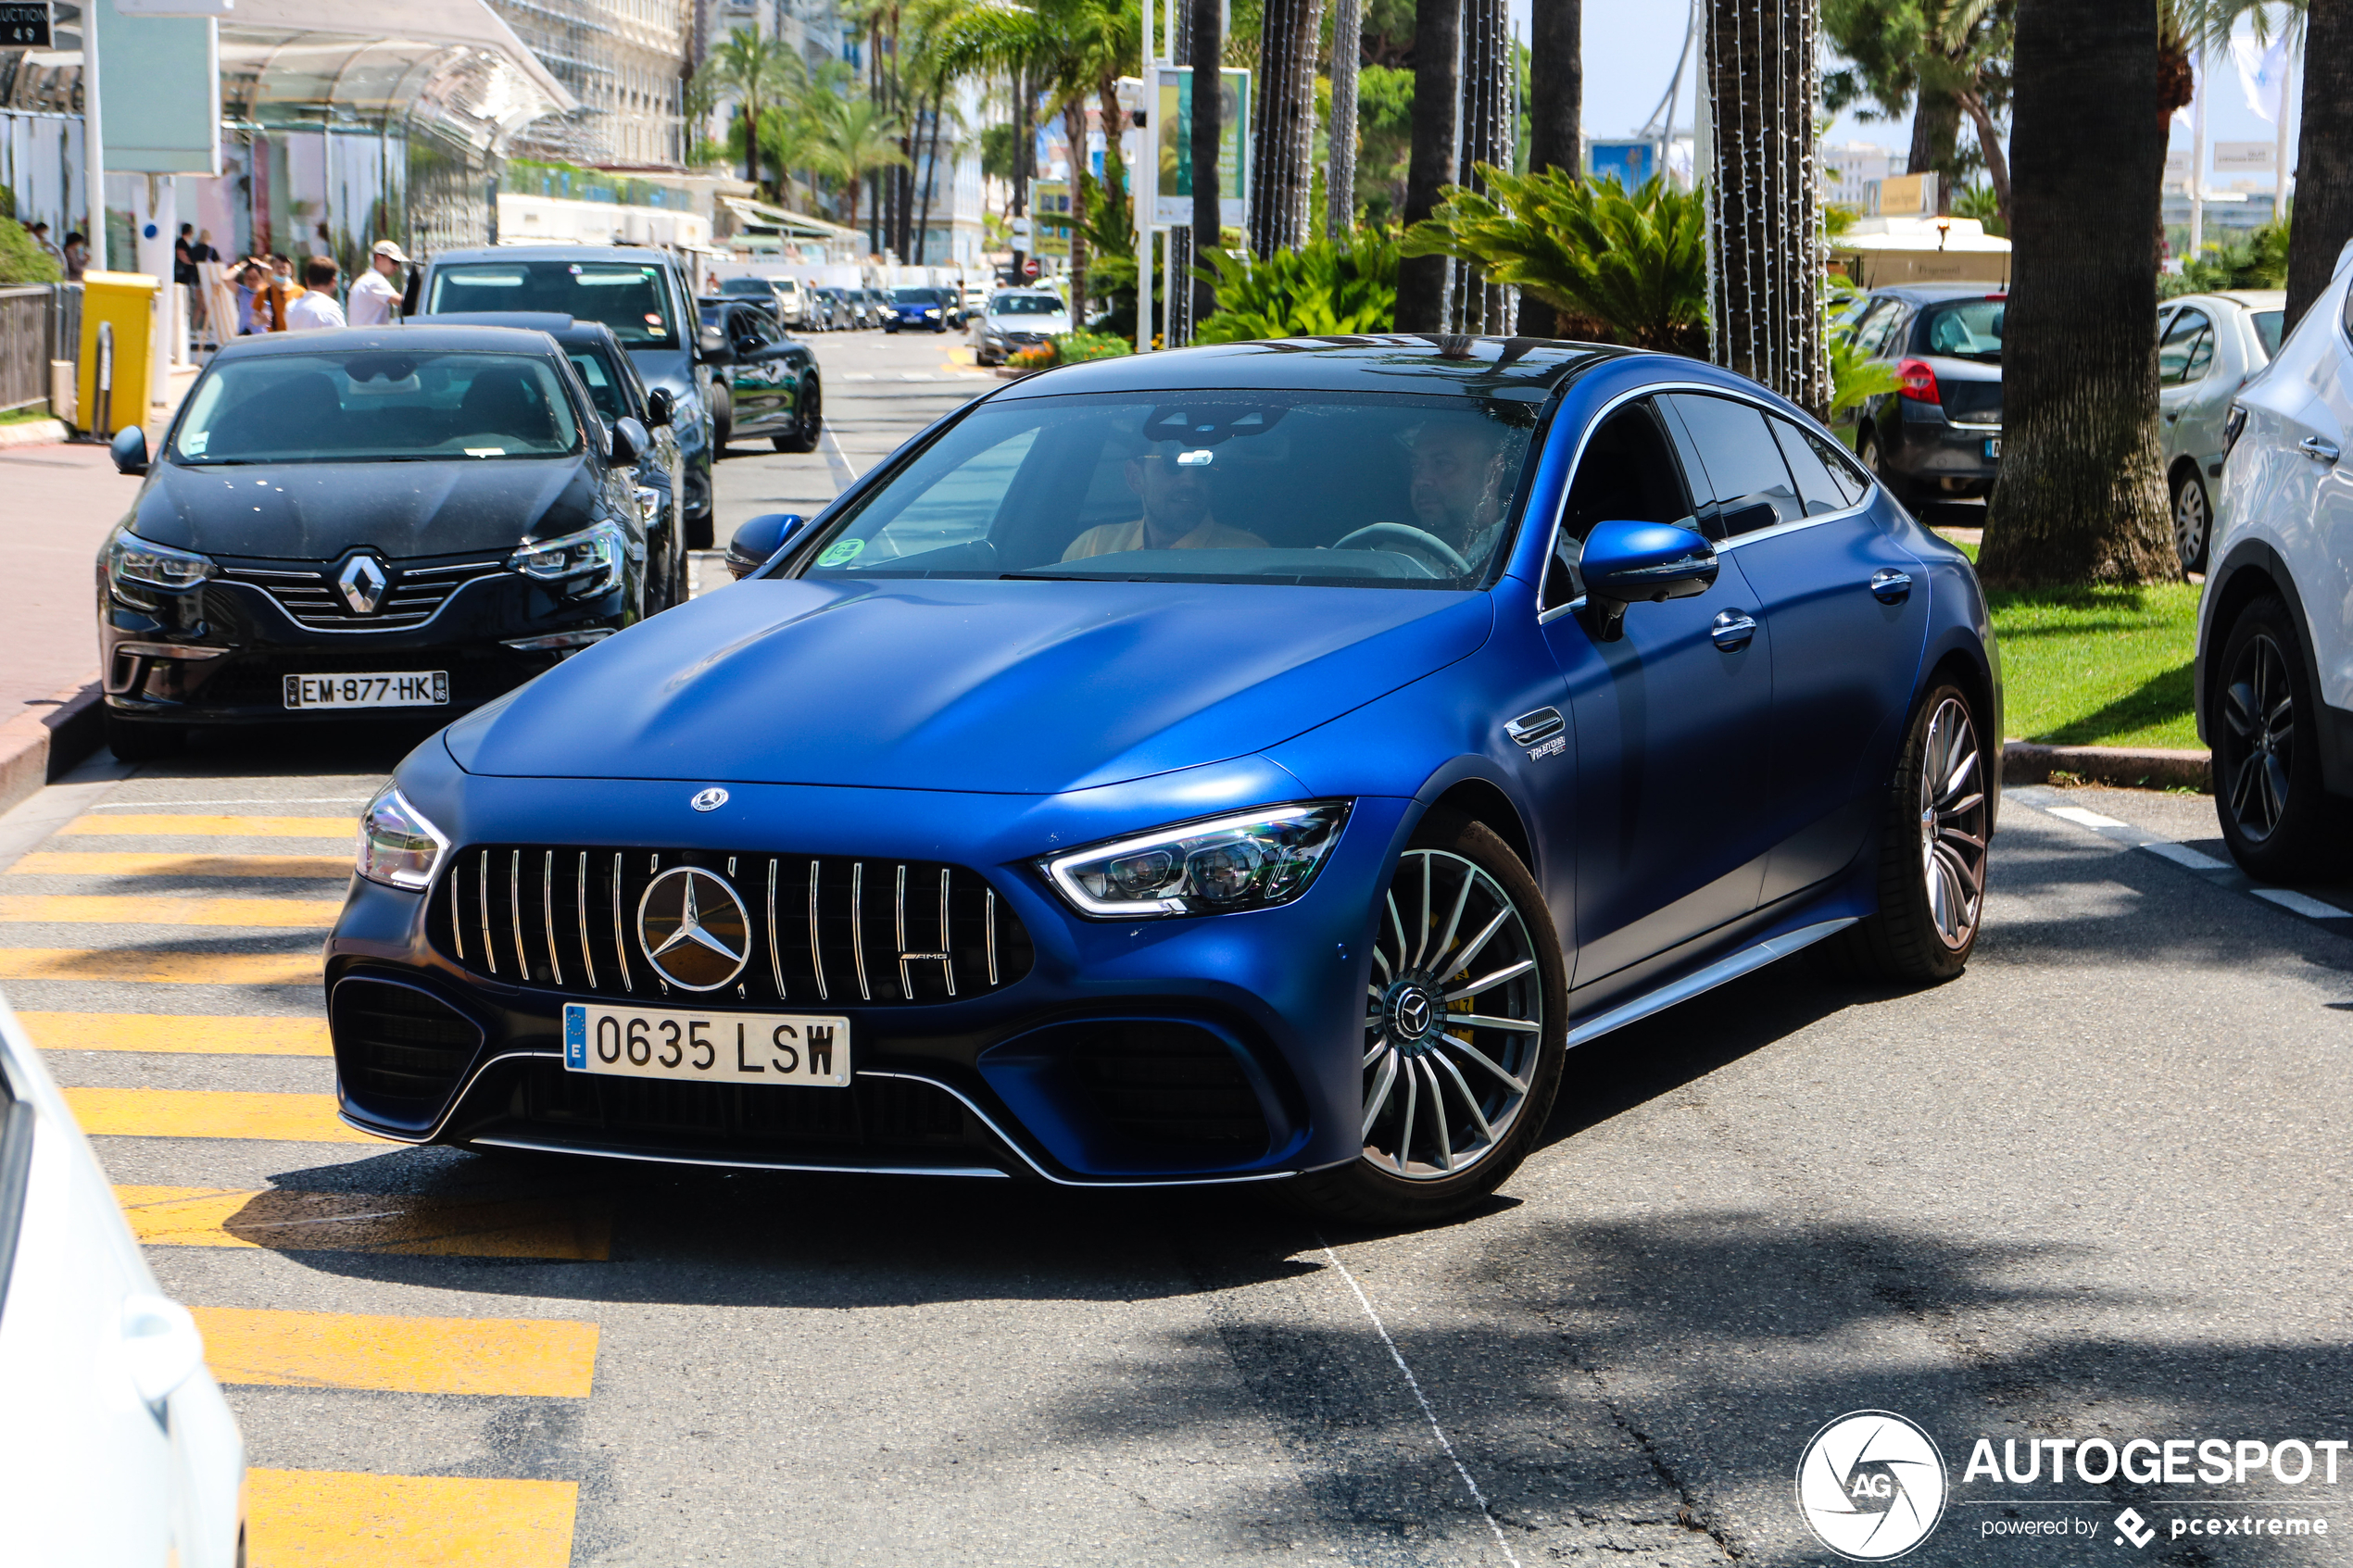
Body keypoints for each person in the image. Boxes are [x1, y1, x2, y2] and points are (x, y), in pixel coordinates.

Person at [1062, 441, 1267, 559]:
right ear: (1135, 477)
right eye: (1172, 464)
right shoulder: (1091, 549)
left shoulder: (1247, 557)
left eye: (1203, 467)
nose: (1190, 480)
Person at [1401, 414, 1514, 562]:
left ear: (1493, 472)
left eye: (1441, 463)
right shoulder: (1389, 560)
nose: (1420, 480)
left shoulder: (1531, 554)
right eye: (1416, 466)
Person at [346, 238, 406, 328]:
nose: (396, 267)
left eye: (398, 263)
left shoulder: (367, 279)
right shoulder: (374, 280)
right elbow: (402, 302)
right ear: (378, 258)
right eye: (394, 262)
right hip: (369, 338)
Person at [283, 256, 345, 330]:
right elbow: (341, 339)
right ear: (333, 281)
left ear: (307, 280)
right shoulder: (331, 309)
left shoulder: (291, 308)